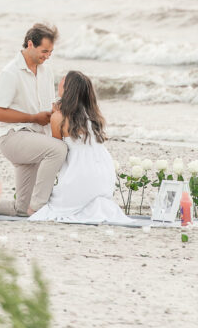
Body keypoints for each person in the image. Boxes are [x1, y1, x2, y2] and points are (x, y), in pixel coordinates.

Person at [29, 70, 138, 224]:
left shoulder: (58, 117)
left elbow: (57, 152)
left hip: (80, 177)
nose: (59, 82)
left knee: (51, 205)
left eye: (63, 81)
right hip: (105, 178)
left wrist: (54, 114)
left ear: (68, 89)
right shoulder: (94, 116)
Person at [0, 23, 67, 216]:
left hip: (36, 139)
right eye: (44, 51)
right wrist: (33, 117)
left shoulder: (46, 71)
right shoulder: (10, 72)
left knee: (22, 209)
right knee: (58, 150)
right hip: (13, 137)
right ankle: (40, 206)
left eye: (50, 52)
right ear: (30, 44)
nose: (47, 56)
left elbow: (47, 106)